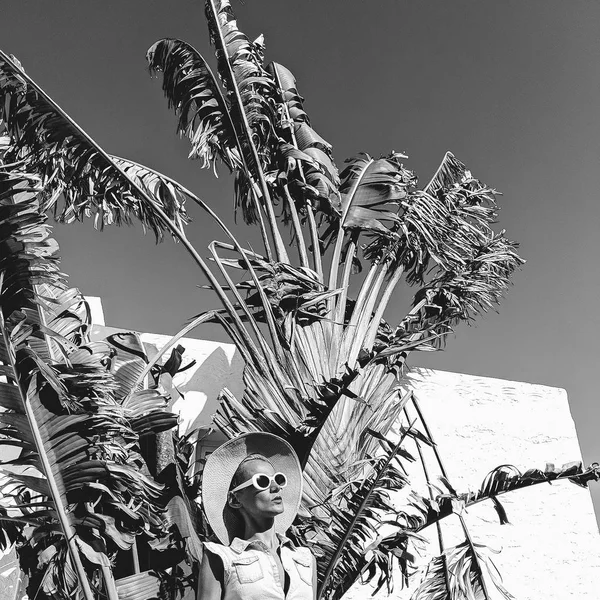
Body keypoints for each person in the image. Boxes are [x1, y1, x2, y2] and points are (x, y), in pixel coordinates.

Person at [198, 432, 317, 600]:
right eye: (262, 481)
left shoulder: (305, 558)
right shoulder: (221, 557)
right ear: (235, 499)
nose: (275, 487)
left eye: (278, 479)